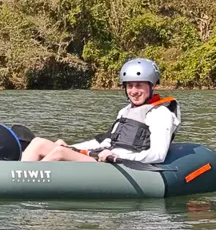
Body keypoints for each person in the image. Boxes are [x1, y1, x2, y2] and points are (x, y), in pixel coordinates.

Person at [21, 58, 180, 165]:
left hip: (119, 165)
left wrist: (118, 157)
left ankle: (22, 184)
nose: (133, 91)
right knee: (38, 143)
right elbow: (104, 142)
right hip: (102, 156)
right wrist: (72, 146)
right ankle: (13, 174)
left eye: (139, 85)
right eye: (129, 86)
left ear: (152, 86)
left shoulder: (161, 114)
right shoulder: (125, 111)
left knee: (59, 153)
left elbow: (158, 155)